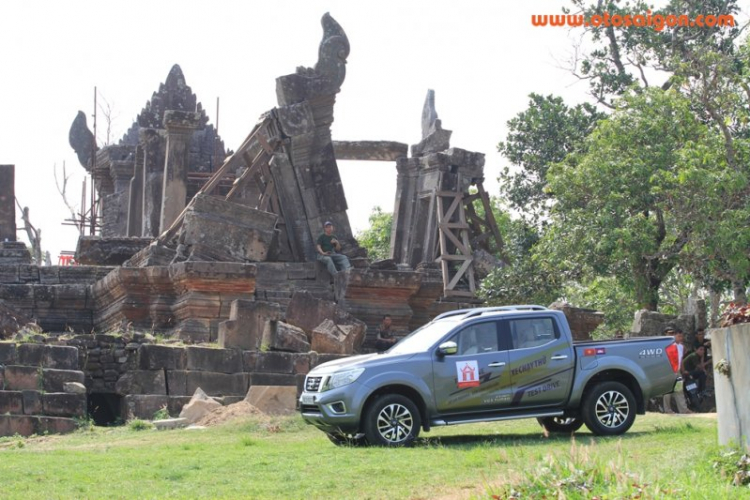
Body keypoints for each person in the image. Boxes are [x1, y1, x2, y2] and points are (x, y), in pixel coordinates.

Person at [662, 326, 693, 414]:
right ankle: (667, 410)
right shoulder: (667, 345)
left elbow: (681, 359)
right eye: (679, 336)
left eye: (681, 336)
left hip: (677, 371)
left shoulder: (682, 347)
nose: (681, 338)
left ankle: (683, 409)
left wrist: (683, 371)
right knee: (668, 391)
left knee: (679, 390)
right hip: (669, 370)